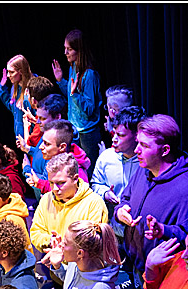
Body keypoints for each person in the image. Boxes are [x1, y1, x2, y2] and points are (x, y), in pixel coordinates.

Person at [116, 114, 188, 289]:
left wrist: (165, 231)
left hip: (164, 280)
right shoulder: (144, 170)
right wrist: (121, 211)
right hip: (137, 265)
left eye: (144, 145)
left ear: (165, 150)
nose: (136, 150)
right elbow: (125, 197)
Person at [42, 219, 121, 289]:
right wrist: (57, 266)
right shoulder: (75, 264)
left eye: (64, 243)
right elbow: (71, 279)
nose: (60, 245)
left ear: (80, 253)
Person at [29, 152, 108, 254]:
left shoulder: (94, 203)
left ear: (75, 178)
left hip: (83, 268)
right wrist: (50, 240)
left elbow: (92, 243)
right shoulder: (46, 199)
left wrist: (62, 247)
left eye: (61, 183)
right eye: (51, 183)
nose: (55, 189)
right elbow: (36, 232)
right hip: (55, 266)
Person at [91, 106, 144, 239]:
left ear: (137, 136)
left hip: (139, 232)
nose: (114, 139)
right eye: (114, 133)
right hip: (113, 231)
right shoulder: (106, 157)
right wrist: (105, 193)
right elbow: (95, 183)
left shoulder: (147, 163)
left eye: (120, 135)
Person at [53, 29, 103, 167]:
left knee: (89, 169)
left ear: (79, 50)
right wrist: (61, 81)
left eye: (69, 49)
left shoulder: (89, 74)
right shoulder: (73, 67)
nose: (65, 53)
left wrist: (75, 94)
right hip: (75, 129)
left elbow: (89, 109)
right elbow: (71, 97)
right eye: (65, 48)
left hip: (88, 133)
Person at [24, 120, 91, 195]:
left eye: (47, 144)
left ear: (62, 147)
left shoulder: (77, 172)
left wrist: (40, 184)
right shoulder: (57, 161)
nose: (40, 147)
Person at [0, 55, 35, 141]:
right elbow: (12, 107)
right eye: (8, 72)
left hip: (33, 138)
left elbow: (38, 116)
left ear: (21, 72)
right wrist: (2, 88)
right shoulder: (15, 88)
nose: (8, 75)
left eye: (11, 72)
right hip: (22, 139)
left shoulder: (33, 87)